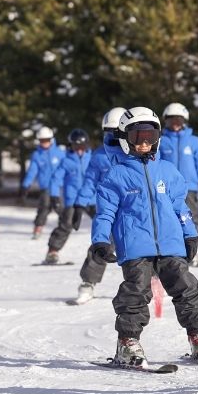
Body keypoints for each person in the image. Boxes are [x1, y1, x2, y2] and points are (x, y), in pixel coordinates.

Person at [90, 106, 198, 368]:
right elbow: (104, 214)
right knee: (135, 292)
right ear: (125, 138)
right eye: (138, 137)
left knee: (187, 287)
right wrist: (100, 240)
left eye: (150, 136)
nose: (144, 143)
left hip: (170, 244)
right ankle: (128, 342)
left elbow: (181, 208)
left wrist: (190, 235)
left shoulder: (168, 171)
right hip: (135, 247)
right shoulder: (116, 175)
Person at [68, 107, 127, 304]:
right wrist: (79, 204)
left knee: (143, 247)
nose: (113, 136)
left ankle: (150, 280)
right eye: (109, 131)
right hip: (109, 210)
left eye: (117, 131)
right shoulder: (99, 155)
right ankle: (88, 282)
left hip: (134, 209)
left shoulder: (138, 152)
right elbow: (89, 182)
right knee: (100, 244)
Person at [159, 102, 198, 267]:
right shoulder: (161, 140)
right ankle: (168, 253)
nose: (175, 123)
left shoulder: (193, 141)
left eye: (179, 120)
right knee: (167, 220)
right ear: (165, 121)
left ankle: (192, 253)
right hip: (166, 189)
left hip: (189, 188)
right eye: (171, 120)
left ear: (185, 121)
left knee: (189, 220)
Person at [43, 128, 92, 264]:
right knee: (66, 224)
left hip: (91, 198)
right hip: (73, 199)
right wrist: (54, 196)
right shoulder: (66, 161)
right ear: (71, 146)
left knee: (106, 221)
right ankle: (52, 251)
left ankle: (116, 248)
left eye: (82, 146)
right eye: (76, 146)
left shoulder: (92, 158)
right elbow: (55, 179)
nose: (80, 150)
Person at [20, 126, 65, 239]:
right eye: (41, 140)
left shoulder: (60, 153)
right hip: (45, 187)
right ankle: (37, 229)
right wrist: (26, 185)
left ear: (51, 139)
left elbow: (68, 168)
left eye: (46, 140)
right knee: (44, 207)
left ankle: (65, 228)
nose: (44, 143)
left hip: (59, 186)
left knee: (61, 208)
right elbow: (32, 171)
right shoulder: (37, 155)